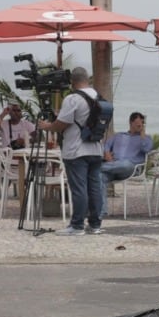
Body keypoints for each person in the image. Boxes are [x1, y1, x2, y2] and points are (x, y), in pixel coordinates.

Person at [38, 66, 105, 236]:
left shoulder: (73, 98)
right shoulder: (98, 96)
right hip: (96, 149)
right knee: (94, 187)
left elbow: (62, 125)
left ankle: (77, 226)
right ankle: (95, 224)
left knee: (79, 188)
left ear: (72, 82)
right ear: (87, 79)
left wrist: (47, 126)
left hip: (76, 150)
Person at [102, 112, 155, 183]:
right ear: (131, 122)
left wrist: (142, 136)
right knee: (101, 177)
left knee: (126, 164)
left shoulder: (147, 138)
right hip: (113, 167)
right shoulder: (118, 135)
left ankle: (95, 168)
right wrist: (107, 153)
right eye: (138, 122)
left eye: (142, 123)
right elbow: (106, 145)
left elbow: (146, 149)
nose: (140, 125)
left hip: (131, 169)